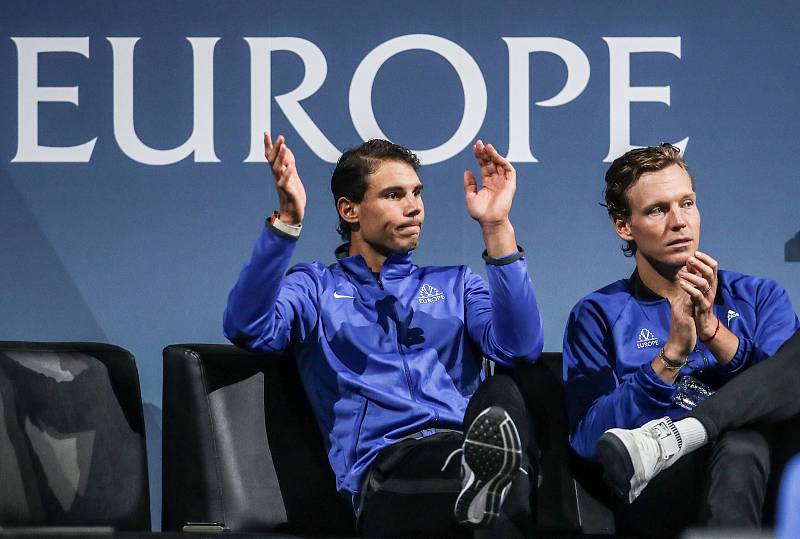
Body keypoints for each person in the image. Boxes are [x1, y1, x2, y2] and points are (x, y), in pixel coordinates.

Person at [224, 133, 544, 537]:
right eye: (394, 195)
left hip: (464, 447)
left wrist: (497, 225)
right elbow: (248, 328)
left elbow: (520, 348)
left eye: (417, 193)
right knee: (498, 499)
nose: (414, 208)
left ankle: (485, 474)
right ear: (351, 210)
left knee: (503, 395)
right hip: (389, 476)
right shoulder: (315, 288)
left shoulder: (456, 285)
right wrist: (286, 222)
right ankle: (486, 476)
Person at [562, 143, 800, 537]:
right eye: (658, 209)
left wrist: (714, 334)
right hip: (661, 488)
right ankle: (677, 440)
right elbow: (589, 439)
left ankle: (680, 434)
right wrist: (669, 359)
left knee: (744, 445)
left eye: (687, 203)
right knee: (740, 447)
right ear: (624, 226)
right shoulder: (598, 314)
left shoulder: (759, 296)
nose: (680, 221)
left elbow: (785, 394)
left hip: (767, 479)